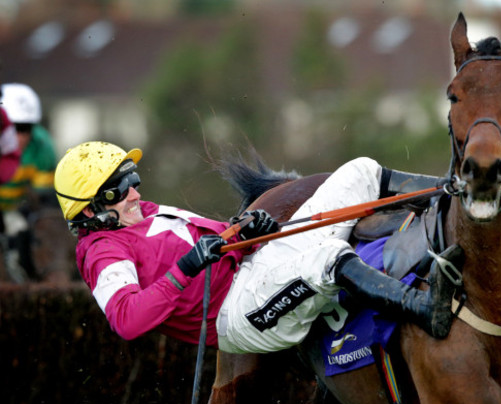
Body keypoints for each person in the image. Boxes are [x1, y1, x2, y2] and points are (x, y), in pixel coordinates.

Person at [54, 141, 452, 354]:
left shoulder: (148, 212)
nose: (135, 192)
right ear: (91, 209)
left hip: (251, 273)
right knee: (325, 259)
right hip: (235, 317)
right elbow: (126, 320)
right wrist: (187, 268)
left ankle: (454, 191)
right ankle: (422, 309)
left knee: (360, 172)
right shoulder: (103, 251)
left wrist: (243, 234)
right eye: (121, 189)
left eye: (134, 179)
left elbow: (221, 243)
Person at [0, 83, 58, 281]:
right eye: (15, 127)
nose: (21, 136)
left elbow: (44, 197)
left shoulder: (42, 146)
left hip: (16, 210)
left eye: (26, 128)